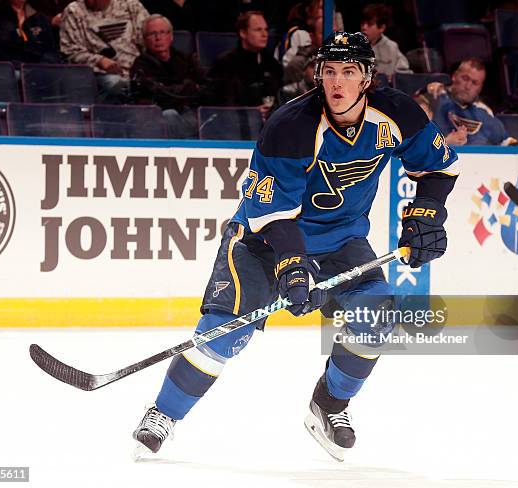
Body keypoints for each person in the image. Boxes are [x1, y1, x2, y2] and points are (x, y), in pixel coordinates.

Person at [132, 31, 459, 462]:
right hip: (263, 243)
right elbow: (272, 215)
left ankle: (329, 407)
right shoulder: (290, 126)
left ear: (367, 77)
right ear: (319, 75)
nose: (337, 83)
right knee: (224, 335)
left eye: (348, 72)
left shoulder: (398, 114)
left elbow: (438, 169)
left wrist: (426, 214)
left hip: (342, 242)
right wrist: (292, 265)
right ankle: (164, 414)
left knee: (377, 315)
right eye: (329, 72)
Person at [131, 14, 207, 138]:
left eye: (163, 32)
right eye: (152, 34)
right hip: (158, 118)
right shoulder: (140, 65)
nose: (158, 38)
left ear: (171, 36)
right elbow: (159, 95)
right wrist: (188, 88)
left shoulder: (187, 59)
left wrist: (178, 91)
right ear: (145, 39)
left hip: (190, 113)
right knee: (169, 115)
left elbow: (205, 87)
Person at [60, 0, 149, 103]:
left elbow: (148, 39)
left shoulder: (131, 5)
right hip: (98, 76)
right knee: (115, 83)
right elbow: (70, 52)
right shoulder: (73, 11)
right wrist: (99, 61)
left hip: (137, 71)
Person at [209, 11, 283, 118]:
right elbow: (224, 102)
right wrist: (251, 112)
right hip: (236, 123)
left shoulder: (272, 64)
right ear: (243, 33)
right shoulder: (226, 63)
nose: (265, 34)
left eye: (266, 29)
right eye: (258, 30)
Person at [0, 0, 60, 65]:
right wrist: (24, 70)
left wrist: (42, 67)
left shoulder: (39, 18)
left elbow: (51, 50)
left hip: (39, 76)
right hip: (6, 77)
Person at [360, 4, 412, 82]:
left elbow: (406, 76)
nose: (364, 27)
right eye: (362, 23)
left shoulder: (391, 47)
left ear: (381, 28)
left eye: (369, 24)